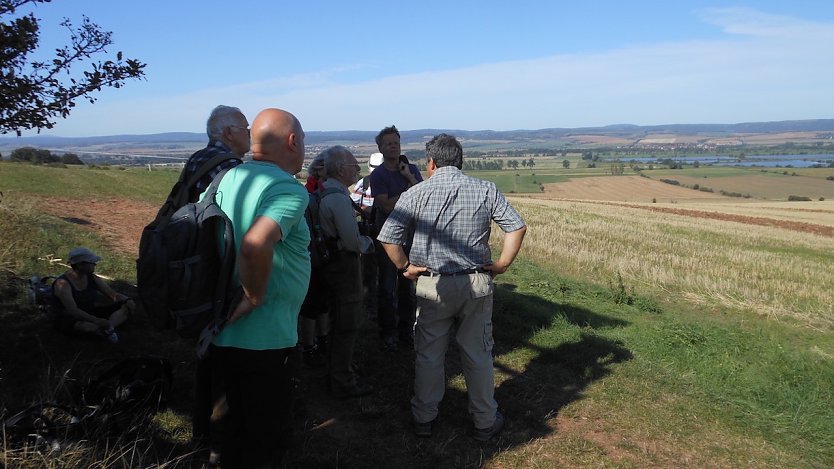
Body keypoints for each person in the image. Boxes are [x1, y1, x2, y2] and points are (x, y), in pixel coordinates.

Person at [377, 133, 527, 441]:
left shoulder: (416, 193)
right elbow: (517, 226)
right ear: (460, 161)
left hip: (433, 284)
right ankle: (485, 421)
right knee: (478, 353)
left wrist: (405, 267)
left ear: (431, 163)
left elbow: (388, 237)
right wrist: (501, 265)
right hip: (475, 282)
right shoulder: (486, 189)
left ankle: (424, 418)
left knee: (429, 354)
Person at [210, 108, 310, 467]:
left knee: (227, 435)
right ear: (293, 141)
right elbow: (255, 244)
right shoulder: (286, 188)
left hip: (221, 330)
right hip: (268, 338)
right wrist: (253, 297)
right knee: (266, 440)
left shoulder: (225, 180)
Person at [317, 145, 375, 397]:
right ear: (341, 169)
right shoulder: (338, 198)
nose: (358, 170)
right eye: (354, 166)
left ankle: (336, 372)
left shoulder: (325, 192)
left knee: (337, 320)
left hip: (331, 264)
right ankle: (342, 379)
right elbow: (352, 242)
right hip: (344, 265)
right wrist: (368, 243)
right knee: (347, 322)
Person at [369, 125, 423, 352]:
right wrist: (409, 192)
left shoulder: (410, 169)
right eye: (389, 143)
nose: (394, 147)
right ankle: (387, 331)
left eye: (397, 143)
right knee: (388, 286)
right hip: (388, 238)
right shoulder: (378, 175)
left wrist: (409, 177)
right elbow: (387, 206)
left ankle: (406, 330)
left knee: (408, 287)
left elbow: (426, 195)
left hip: (411, 236)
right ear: (381, 148)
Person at [52, 247, 135, 343]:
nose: (95, 264)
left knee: (125, 307)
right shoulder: (63, 284)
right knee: (85, 327)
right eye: (91, 262)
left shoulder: (92, 278)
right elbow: (73, 310)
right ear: (80, 265)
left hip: (90, 312)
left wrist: (127, 300)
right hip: (71, 319)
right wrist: (96, 320)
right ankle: (103, 330)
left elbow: (112, 294)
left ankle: (108, 328)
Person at [181, 105, 251, 202]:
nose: (250, 133)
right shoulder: (229, 164)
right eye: (245, 128)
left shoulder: (195, 157)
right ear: (229, 133)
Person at [351, 152, 383, 321]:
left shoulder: (362, 183)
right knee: (375, 270)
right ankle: (374, 304)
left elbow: (352, 207)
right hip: (377, 231)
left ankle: (370, 305)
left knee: (369, 270)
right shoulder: (366, 183)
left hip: (370, 231)